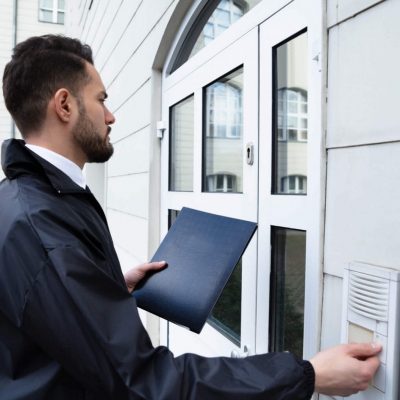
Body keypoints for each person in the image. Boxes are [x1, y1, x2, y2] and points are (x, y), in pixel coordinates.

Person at [0, 35, 381, 400]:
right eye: (101, 99)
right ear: (64, 105)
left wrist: (110, 285)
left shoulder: (33, 197)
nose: (111, 115)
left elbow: (46, 313)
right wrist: (307, 375)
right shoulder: (41, 223)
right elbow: (143, 383)